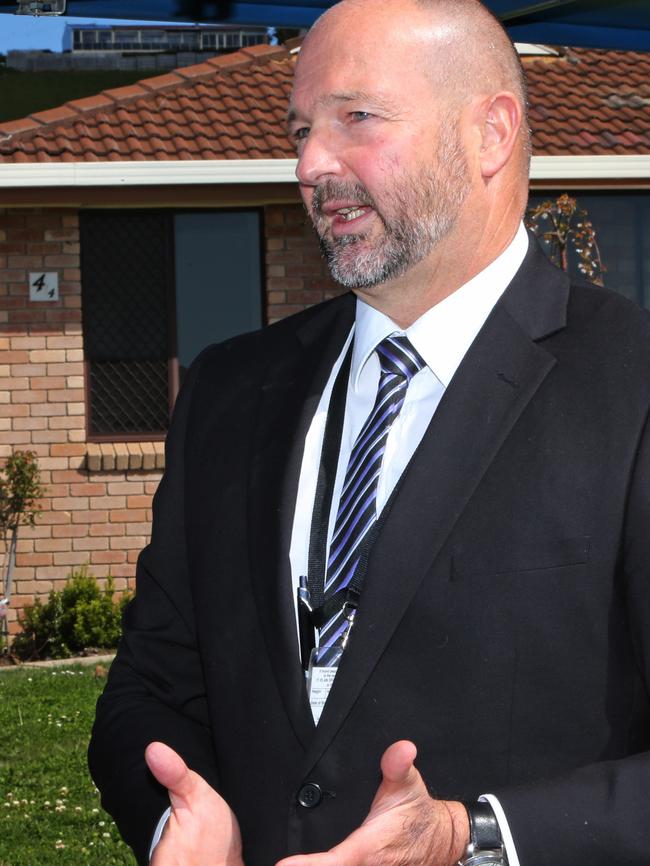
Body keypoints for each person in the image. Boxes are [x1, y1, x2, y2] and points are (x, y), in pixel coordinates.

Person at [88, 0, 650, 864]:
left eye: (357, 118)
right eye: (301, 129)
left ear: (490, 132)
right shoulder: (228, 390)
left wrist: (473, 837)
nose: (312, 163)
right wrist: (179, 819)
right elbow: (151, 687)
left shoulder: (631, 381)